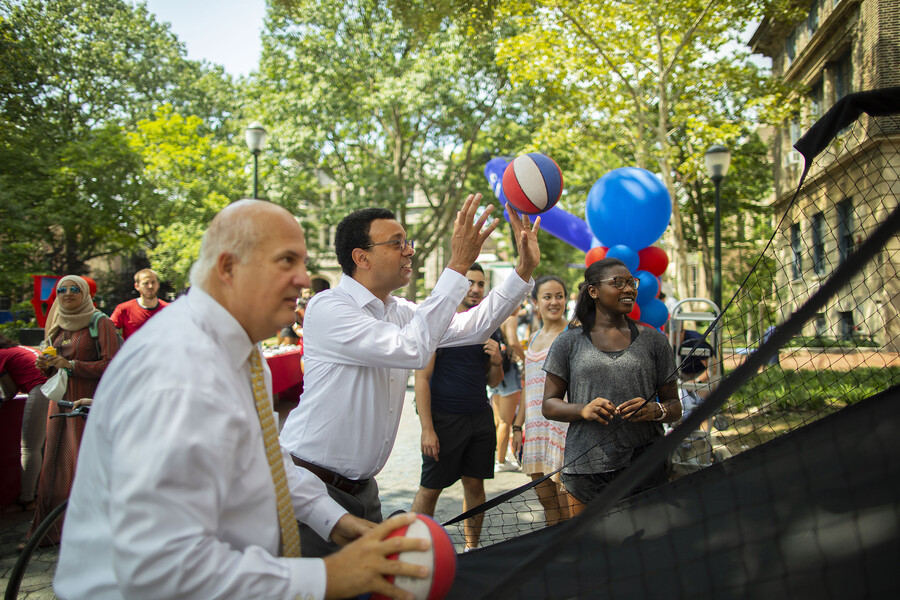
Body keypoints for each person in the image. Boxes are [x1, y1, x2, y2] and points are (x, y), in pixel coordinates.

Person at [55, 200, 431, 600]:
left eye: (302, 263)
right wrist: (324, 577)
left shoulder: (239, 352)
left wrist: (332, 518)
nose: (304, 280)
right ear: (228, 267)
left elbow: (264, 457)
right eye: (286, 261)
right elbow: (160, 567)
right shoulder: (179, 368)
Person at [280, 193, 541, 557]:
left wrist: (522, 272)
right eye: (397, 243)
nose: (409, 251)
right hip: (309, 486)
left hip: (365, 492)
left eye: (409, 242)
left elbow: (470, 328)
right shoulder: (329, 308)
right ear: (362, 257)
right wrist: (458, 264)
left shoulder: (398, 310)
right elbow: (412, 349)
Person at [542, 258, 681, 514]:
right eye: (618, 283)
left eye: (631, 282)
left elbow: (675, 407)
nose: (629, 289)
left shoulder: (654, 341)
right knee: (588, 547)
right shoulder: (568, 342)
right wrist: (582, 410)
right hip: (585, 467)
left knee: (643, 547)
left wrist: (656, 411)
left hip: (646, 465)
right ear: (593, 291)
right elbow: (549, 405)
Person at [410, 263, 505, 550]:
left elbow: (494, 381)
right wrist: (427, 429)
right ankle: (410, 551)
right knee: (430, 489)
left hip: (480, 416)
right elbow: (422, 379)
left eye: (480, 284)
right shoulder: (440, 323)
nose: (475, 289)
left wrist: (498, 360)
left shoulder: (490, 325)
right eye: (469, 283)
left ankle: (472, 548)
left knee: (475, 486)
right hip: (444, 418)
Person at [25, 275, 121, 546]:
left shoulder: (100, 322)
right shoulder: (57, 325)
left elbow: (113, 364)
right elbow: (52, 362)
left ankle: (94, 533)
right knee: (54, 463)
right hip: (60, 399)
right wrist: (46, 365)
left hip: (89, 402)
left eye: (74, 289)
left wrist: (71, 364)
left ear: (84, 294)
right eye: (62, 290)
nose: (67, 294)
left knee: (84, 461)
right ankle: (47, 532)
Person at [521, 275, 573, 526]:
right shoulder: (532, 337)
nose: (554, 302)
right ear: (535, 302)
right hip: (535, 431)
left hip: (562, 430)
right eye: (547, 296)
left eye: (559, 296)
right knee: (547, 503)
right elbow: (527, 386)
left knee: (568, 504)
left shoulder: (574, 334)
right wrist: (518, 426)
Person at [0, 334, 48, 514]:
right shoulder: (18, 349)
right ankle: (38, 494)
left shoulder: (1, 355)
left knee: (30, 448)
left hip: (41, 390)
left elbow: (9, 392)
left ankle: (27, 499)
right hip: (55, 388)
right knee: (42, 447)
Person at [491, 307, 524, 472]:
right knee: (506, 421)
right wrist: (527, 359)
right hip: (509, 374)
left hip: (497, 374)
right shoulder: (510, 318)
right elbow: (513, 342)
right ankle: (501, 461)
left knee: (498, 420)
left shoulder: (498, 316)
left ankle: (497, 457)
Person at [109, 268, 169, 340]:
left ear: (158, 284)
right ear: (137, 286)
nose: (150, 286)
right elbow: (109, 336)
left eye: (153, 282)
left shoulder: (169, 310)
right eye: (145, 283)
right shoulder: (123, 309)